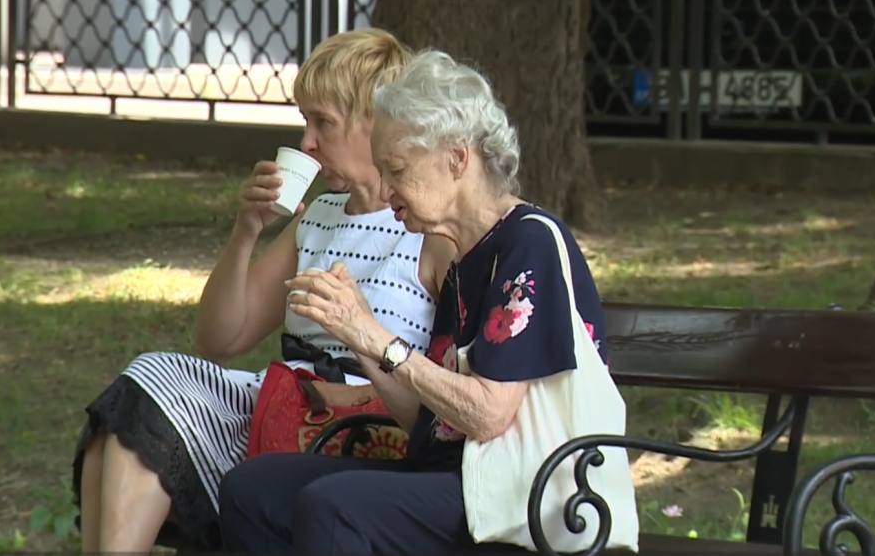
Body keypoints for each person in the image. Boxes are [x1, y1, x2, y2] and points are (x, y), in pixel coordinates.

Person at [69, 29, 456, 554]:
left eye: (323, 122)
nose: (307, 143)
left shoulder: (429, 232)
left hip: (362, 424)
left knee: (145, 400)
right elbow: (221, 337)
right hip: (284, 406)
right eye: (305, 122)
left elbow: (451, 378)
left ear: (376, 121)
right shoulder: (318, 218)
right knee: (136, 400)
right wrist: (247, 230)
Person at [216, 49, 615, 554]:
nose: (387, 187)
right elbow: (427, 425)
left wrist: (378, 338)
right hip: (452, 473)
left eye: (398, 169)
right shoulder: (465, 256)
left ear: (457, 157)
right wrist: (355, 333)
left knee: (333, 507)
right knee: (252, 490)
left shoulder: (528, 244)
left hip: (529, 493)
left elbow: (488, 416)